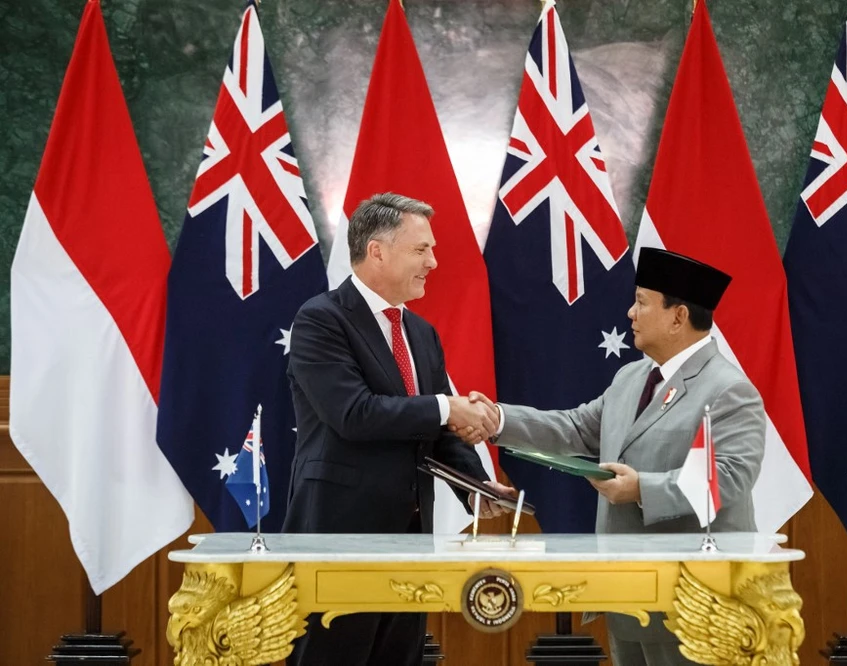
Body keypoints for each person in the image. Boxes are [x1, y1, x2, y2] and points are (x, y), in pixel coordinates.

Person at [459, 247, 766, 666]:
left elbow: (729, 477)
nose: (630, 314)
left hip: (695, 604)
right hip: (628, 598)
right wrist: (496, 419)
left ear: (679, 316)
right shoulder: (632, 376)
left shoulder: (728, 388)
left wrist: (641, 489)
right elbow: (576, 428)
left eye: (641, 302)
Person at [283, 192, 514, 666]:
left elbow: (435, 429)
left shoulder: (422, 332)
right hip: (339, 534)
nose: (433, 261)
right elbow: (355, 414)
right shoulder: (321, 320)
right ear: (377, 251)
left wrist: (475, 484)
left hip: (412, 534)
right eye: (421, 249)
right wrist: (447, 406)